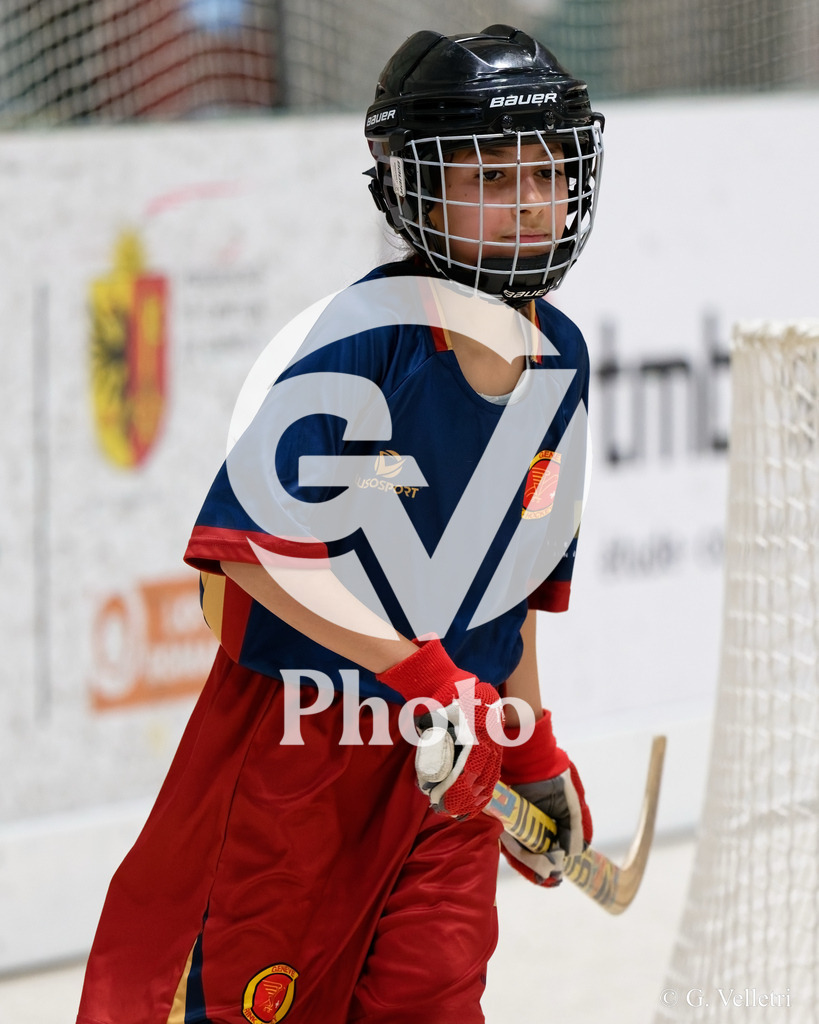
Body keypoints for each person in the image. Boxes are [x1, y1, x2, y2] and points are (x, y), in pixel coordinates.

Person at [76, 24, 604, 1024]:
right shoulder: (360, 347)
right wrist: (415, 669)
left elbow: (516, 587)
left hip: (455, 764)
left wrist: (530, 746)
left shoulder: (564, 360)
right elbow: (262, 560)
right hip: (299, 748)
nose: (530, 199)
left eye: (545, 170)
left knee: (434, 1002)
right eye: (492, 176)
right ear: (415, 190)